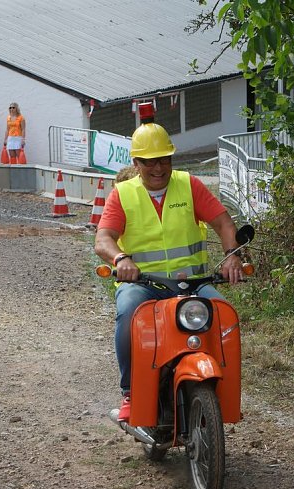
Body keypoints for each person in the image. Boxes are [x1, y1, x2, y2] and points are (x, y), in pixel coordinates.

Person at [93, 103, 244, 421]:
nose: (157, 168)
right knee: (128, 315)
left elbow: (224, 224)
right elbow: (103, 238)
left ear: (172, 158)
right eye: (148, 162)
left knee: (225, 319)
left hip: (194, 283)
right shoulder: (122, 194)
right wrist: (121, 259)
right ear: (136, 163)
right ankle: (130, 393)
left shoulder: (190, 186)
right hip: (144, 285)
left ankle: (222, 393)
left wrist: (232, 256)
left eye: (163, 159)